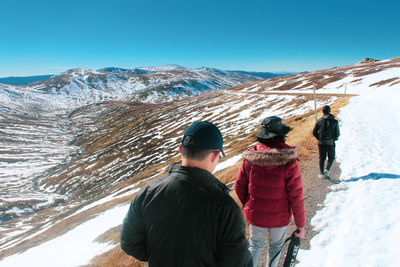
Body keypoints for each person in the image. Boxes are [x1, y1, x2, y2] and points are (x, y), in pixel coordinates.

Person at [120, 121, 253, 267]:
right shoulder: (224, 205)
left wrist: (160, 255)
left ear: (180, 150)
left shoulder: (148, 191)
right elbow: (237, 261)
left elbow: (129, 242)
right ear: (215, 155)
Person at [235, 116, 306, 267]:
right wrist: (300, 225)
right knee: (275, 247)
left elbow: (239, 186)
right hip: (279, 218)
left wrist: (249, 205)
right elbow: (296, 196)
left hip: (255, 215)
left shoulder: (251, 156)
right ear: (280, 135)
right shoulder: (288, 160)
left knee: (254, 245)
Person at [312, 105, 340, 179]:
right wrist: (334, 139)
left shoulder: (319, 121)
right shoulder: (335, 121)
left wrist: (319, 138)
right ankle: (327, 170)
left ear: (322, 112)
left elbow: (314, 132)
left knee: (322, 158)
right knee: (331, 157)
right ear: (329, 111)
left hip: (321, 143)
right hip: (330, 142)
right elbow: (338, 134)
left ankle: (321, 173)